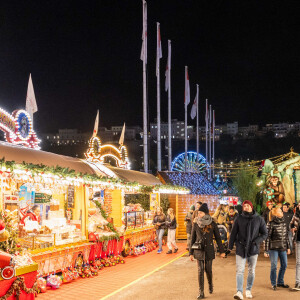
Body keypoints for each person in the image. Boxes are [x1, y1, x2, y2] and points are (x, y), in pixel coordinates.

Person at [227, 200, 268, 300]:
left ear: (251, 207)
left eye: (247, 206)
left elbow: (265, 234)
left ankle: (248, 289)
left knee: (251, 271)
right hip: (241, 247)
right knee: (240, 270)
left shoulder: (259, 219)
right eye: (244, 206)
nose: (246, 207)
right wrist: (230, 247)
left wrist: (256, 241)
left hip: (253, 248)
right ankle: (239, 291)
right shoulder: (239, 218)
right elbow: (233, 233)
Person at [190, 203, 225, 299]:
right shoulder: (196, 223)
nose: (199, 215)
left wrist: (222, 251)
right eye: (198, 213)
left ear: (206, 213)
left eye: (200, 213)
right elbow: (192, 238)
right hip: (198, 250)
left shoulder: (212, 223)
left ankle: (210, 284)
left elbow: (218, 238)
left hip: (209, 249)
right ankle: (201, 292)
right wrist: (190, 253)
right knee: (200, 270)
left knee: (208, 270)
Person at [264, 207, 291, 290]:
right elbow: (267, 237)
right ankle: (273, 283)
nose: (282, 211)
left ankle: (280, 282)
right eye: (280, 210)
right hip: (273, 248)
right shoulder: (270, 223)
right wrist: (266, 250)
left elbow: (286, 236)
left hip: (283, 247)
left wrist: (288, 247)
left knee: (284, 265)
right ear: (275, 213)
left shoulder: (284, 222)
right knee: (274, 266)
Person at [290, 202, 300, 291]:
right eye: (299, 205)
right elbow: (291, 224)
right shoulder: (295, 215)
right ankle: (298, 282)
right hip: (298, 240)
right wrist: (293, 228)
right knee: (298, 262)